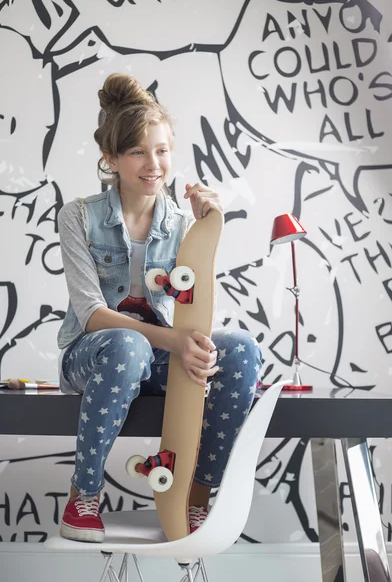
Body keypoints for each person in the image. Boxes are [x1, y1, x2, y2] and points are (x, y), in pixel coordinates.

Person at [57, 72, 263, 542]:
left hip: (154, 359)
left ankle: (195, 495)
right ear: (110, 159)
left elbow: (193, 304)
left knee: (240, 349)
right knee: (128, 345)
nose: (154, 164)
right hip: (95, 357)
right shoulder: (79, 216)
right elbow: (90, 313)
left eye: (162, 150)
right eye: (137, 152)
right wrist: (173, 340)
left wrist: (211, 227)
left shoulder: (181, 219)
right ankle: (83, 496)